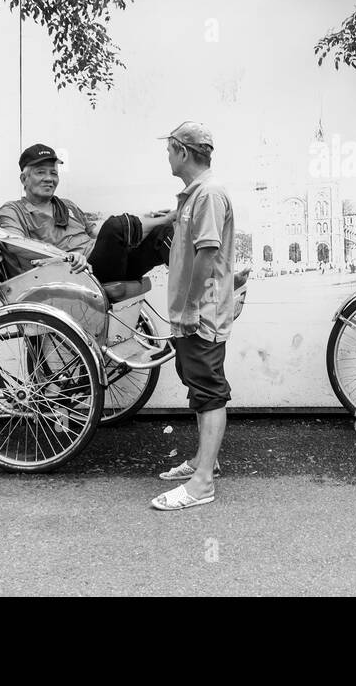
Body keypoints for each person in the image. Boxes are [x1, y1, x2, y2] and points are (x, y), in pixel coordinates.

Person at [151, 122, 237, 512]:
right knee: (196, 385)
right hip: (192, 312)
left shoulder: (208, 195)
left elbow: (207, 252)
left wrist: (188, 307)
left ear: (181, 152)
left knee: (208, 390)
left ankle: (202, 484)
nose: (166, 157)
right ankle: (206, 460)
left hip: (201, 313)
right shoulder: (194, 197)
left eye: (169, 150)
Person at [0, 143, 174, 285]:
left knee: (162, 232)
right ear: (24, 179)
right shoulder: (13, 210)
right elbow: (15, 244)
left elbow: (97, 233)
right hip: (79, 274)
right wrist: (65, 257)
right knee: (115, 226)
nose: (49, 178)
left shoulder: (66, 205)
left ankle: (192, 308)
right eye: (40, 172)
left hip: (110, 264)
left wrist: (149, 219)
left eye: (53, 173)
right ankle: (168, 218)